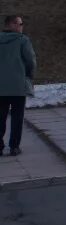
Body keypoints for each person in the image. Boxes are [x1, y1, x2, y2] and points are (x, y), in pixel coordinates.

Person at [0, 14, 35, 158]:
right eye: (20, 24)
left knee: (0, 117)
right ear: (12, 25)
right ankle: (14, 147)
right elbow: (30, 61)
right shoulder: (23, 41)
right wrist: (29, 76)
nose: (22, 27)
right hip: (18, 86)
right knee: (17, 117)